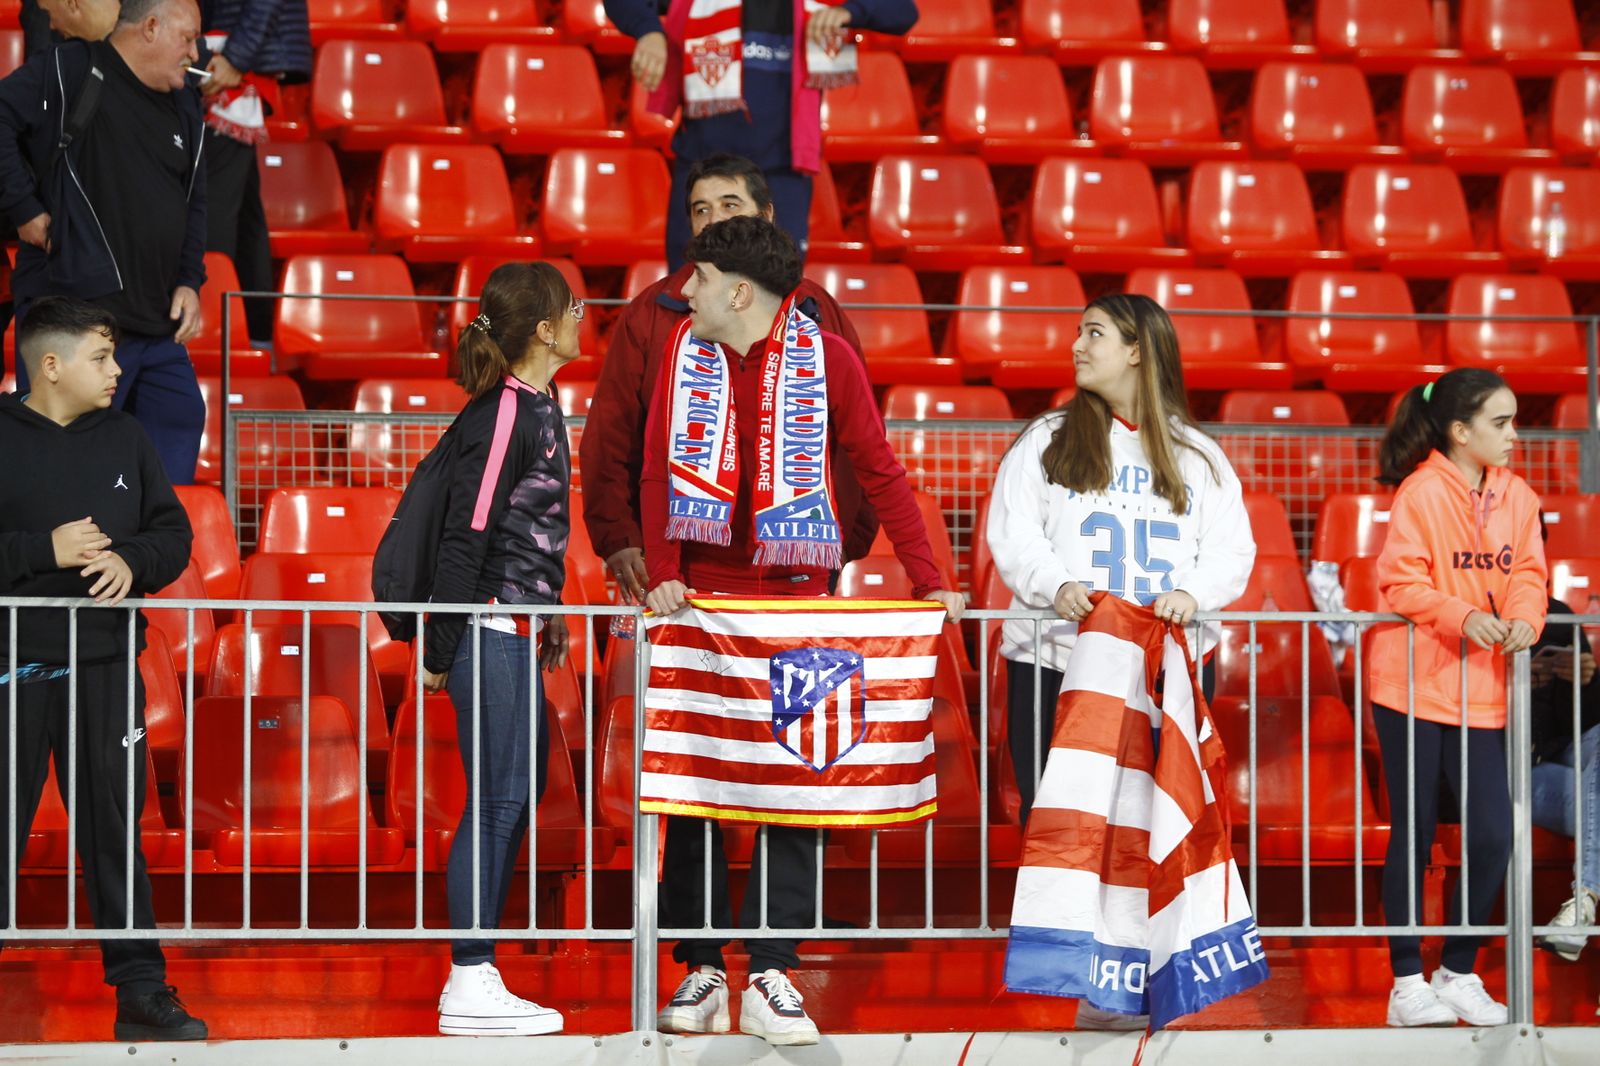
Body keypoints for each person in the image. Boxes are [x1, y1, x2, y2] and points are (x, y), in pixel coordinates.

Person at [640, 215, 963, 1046]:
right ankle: (701, 966)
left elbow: (880, 469)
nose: (686, 291)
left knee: (801, 776)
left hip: (798, 598)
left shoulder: (833, 360)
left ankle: (773, 969)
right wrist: (663, 568)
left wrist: (930, 577)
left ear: (738, 292)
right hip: (703, 604)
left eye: (700, 278)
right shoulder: (680, 354)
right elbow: (654, 472)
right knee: (696, 784)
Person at [0, 296, 204, 1042]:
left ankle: (141, 990)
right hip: (13, 669)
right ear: (50, 366)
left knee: (115, 835)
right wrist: (42, 551)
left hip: (108, 667)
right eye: (101, 356)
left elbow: (173, 534)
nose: (118, 369)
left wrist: (131, 561)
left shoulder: (126, 435)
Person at [985, 293, 1255, 825]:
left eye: (1094, 333)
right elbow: (1015, 533)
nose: (1077, 346)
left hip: (1165, 666)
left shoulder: (1198, 454)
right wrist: (1055, 584)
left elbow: (1232, 549)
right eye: (1078, 332)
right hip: (1056, 658)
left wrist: (1193, 593)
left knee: (1159, 826)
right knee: (1060, 825)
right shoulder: (1046, 439)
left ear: (1137, 351)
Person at [582, 152, 875, 607]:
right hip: (682, 572)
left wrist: (845, 540)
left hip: (797, 568)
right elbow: (611, 435)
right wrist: (619, 536)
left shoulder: (817, 312)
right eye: (701, 209)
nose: (714, 219)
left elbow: (862, 443)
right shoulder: (652, 313)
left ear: (766, 216)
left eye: (730, 205)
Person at [421, 262, 580, 1038]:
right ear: (544, 331)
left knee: (518, 792)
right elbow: (467, 532)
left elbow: (529, 530)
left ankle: (477, 970)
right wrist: (440, 646)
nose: (581, 316)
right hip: (484, 626)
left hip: (515, 625)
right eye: (570, 308)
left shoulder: (539, 404)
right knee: (497, 798)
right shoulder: (505, 412)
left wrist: (550, 610)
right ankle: (469, 975)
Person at [1370, 368, 1546, 1027]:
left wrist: (1525, 618)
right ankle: (1406, 984)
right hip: (1411, 688)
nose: (1514, 434)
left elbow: (1529, 573)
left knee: (1495, 833)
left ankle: (1457, 971)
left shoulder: (1518, 496)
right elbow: (1400, 581)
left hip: (1481, 691)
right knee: (1413, 836)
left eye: (1514, 420)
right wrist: (1463, 615)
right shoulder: (1420, 491)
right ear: (1460, 431)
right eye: (1501, 423)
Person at [0, 0, 209, 485]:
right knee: (68, 471)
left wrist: (189, 279)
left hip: (157, 323)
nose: (195, 53)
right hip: (72, 315)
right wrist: (24, 208)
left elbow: (195, 200)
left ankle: (151, 537)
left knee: (179, 417)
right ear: (150, 27)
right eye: (188, 38)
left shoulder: (185, 102)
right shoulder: (70, 67)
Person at [605, 0, 919, 268]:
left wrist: (849, 12)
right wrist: (649, 31)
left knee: (776, 297)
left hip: (781, 174)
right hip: (702, 170)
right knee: (687, 294)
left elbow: (903, 12)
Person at [198, 0, 312, 344]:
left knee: (214, 209)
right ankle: (254, 334)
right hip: (229, 51)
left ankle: (216, 330)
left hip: (227, 58)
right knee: (244, 215)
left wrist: (236, 57)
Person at [1529, 581, 1600, 961]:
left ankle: (1583, 902)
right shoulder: (1469, 615)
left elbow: (1586, 719)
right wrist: (1519, 678)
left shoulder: (1557, 614)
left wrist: (1587, 682)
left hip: (1562, 747)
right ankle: (1582, 903)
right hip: (1506, 766)